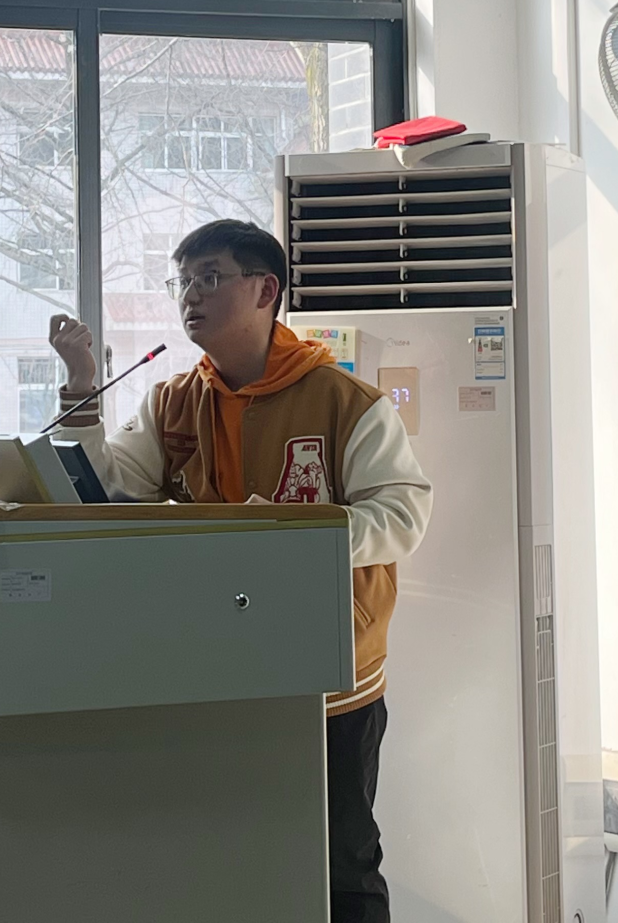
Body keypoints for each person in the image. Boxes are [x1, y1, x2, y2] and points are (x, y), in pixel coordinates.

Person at [49, 218, 432, 923]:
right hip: (216, 668)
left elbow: (402, 516)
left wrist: (288, 537)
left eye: (210, 277)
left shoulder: (343, 401)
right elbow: (111, 495)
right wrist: (81, 385)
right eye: (183, 281)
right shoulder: (173, 400)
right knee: (231, 859)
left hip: (327, 678)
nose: (190, 296)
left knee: (340, 862)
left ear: (265, 290)